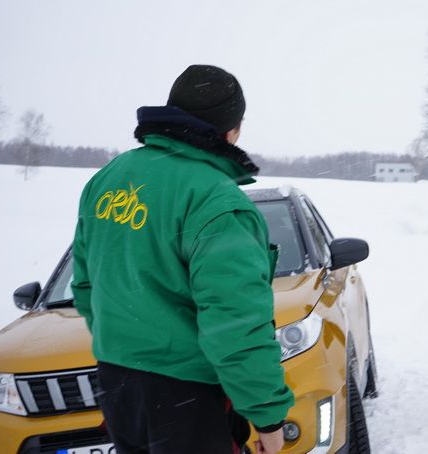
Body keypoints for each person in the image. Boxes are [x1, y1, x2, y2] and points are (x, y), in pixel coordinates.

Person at [71, 65, 294, 454]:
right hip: (187, 398)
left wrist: (129, 349)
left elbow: (87, 286)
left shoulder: (110, 178)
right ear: (232, 130)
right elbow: (235, 324)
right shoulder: (217, 201)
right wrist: (268, 417)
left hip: (117, 387)